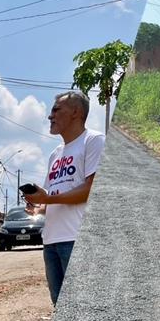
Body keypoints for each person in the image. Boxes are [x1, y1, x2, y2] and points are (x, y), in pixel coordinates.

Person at [24, 91, 105, 305]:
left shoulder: (93, 141)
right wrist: (38, 207)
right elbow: (51, 196)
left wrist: (48, 200)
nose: (50, 116)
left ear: (76, 112)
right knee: (59, 304)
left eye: (56, 110)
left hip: (74, 238)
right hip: (51, 241)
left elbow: (90, 189)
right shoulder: (55, 154)